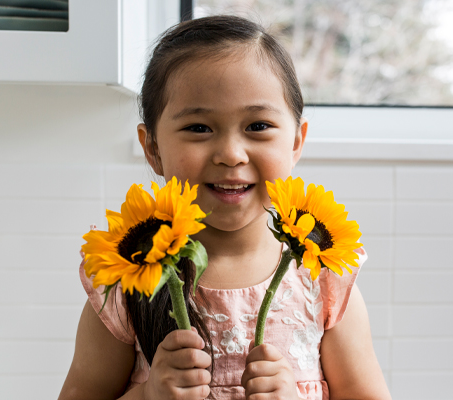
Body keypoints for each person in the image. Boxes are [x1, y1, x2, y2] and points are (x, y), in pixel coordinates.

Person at [59, 15, 391, 400]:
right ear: (152, 148)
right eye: (199, 128)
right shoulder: (125, 283)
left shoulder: (322, 278)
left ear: (296, 142)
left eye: (258, 126)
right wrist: (147, 395)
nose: (232, 155)